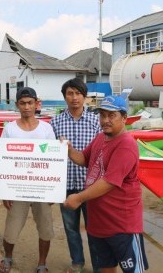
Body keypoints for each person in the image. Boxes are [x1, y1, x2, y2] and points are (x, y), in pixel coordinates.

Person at [63, 95, 148, 273]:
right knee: (106, 269)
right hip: (99, 224)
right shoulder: (101, 138)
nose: (106, 120)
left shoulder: (126, 145)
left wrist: (78, 197)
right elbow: (83, 159)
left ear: (124, 118)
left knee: (134, 271)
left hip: (122, 225)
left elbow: (109, 181)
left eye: (112, 115)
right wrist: (69, 150)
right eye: (102, 115)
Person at [0, 87, 56, 273]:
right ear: (17, 105)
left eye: (30, 103)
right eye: (22, 103)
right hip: (17, 188)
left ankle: (42, 264)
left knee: (45, 228)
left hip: (42, 190)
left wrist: (53, 190)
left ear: (36, 104)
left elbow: (54, 160)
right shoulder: (9, 129)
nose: (26, 107)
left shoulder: (46, 129)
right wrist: (4, 191)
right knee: (12, 228)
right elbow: (2, 160)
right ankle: (7, 258)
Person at [50, 78, 101, 273]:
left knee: (95, 230)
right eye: (70, 94)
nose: (74, 98)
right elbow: (49, 155)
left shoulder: (96, 122)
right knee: (71, 229)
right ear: (64, 97)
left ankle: (98, 266)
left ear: (85, 97)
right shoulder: (55, 122)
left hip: (91, 187)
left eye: (78, 93)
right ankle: (77, 263)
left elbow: (101, 153)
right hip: (65, 186)